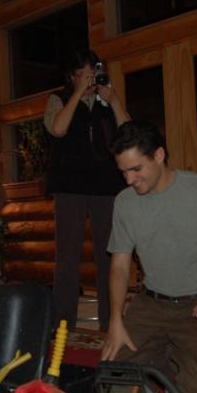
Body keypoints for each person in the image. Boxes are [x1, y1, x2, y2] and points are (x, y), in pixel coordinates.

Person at [101, 120, 197, 393]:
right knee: (114, 381)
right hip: (151, 304)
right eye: (123, 171)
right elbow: (120, 265)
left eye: (136, 169)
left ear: (159, 156)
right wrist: (115, 320)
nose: (129, 180)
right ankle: (169, 352)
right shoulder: (125, 202)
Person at [43, 48, 131, 331]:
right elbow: (57, 129)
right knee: (67, 257)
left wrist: (114, 99)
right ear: (71, 76)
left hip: (106, 187)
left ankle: (111, 321)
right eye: (82, 74)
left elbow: (129, 133)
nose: (88, 78)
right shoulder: (58, 99)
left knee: (108, 255)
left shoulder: (106, 100)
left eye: (91, 72)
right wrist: (77, 94)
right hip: (69, 187)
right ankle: (62, 324)